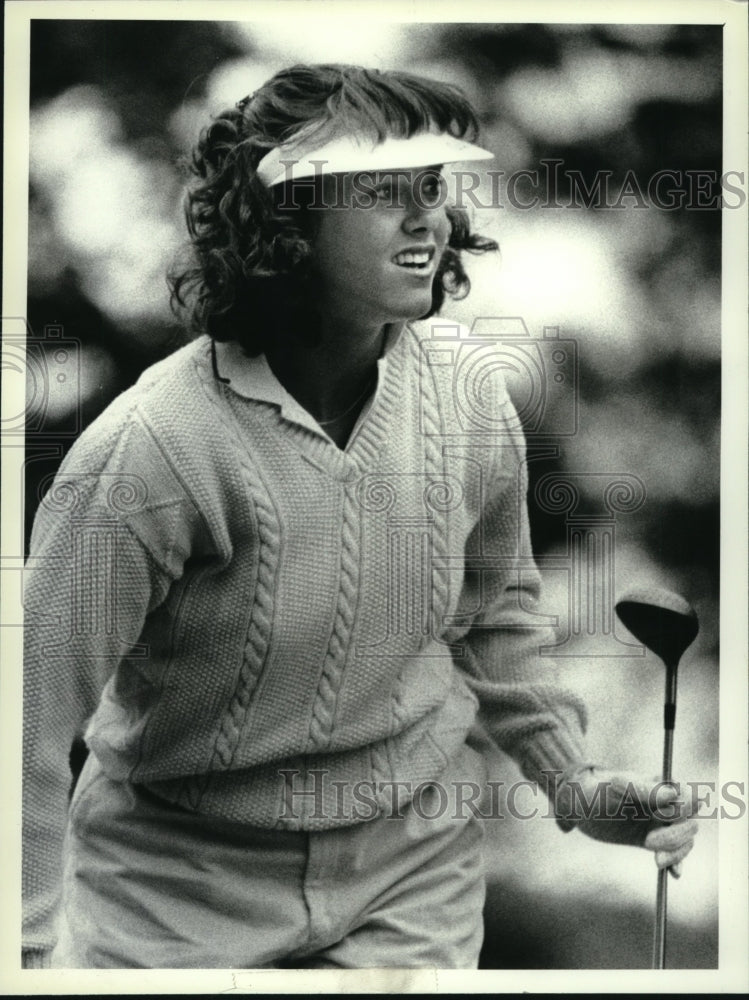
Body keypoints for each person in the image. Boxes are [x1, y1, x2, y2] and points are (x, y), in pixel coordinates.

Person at [22, 63, 697, 970]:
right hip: (173, 897)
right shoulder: (150, 453)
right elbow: (24, 722)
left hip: (409, 878)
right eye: (384, 191)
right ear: (284, 224)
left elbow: (494, 618)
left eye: (431, 186)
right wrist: (19, 954)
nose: (428, 216)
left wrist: (574, 785)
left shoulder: (469, 407)